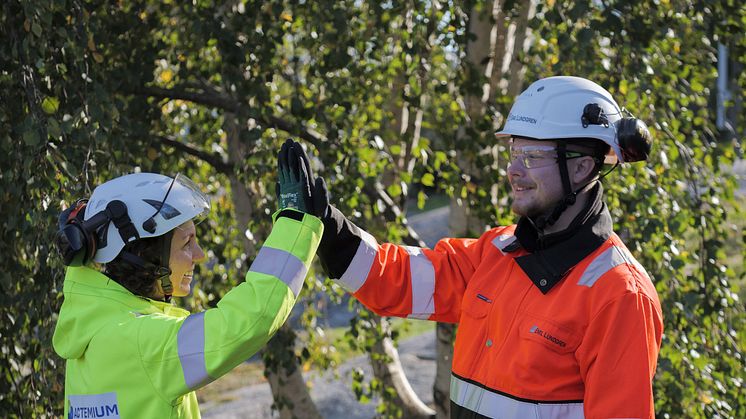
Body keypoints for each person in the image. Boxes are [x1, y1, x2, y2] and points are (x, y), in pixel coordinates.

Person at [278, 76, 664, 419]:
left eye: (532, 156)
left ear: (581, 168)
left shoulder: (619, 296)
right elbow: (398, 279)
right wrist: (331, 230)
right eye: (514, 153)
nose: (514, 170)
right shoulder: (497, 251)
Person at [53, 171, 323, 418]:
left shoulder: (88, 331)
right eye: (186, 243)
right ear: (144, 253)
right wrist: (295, 226)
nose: (199, 255)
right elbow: (250, 319)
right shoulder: (142, 341)